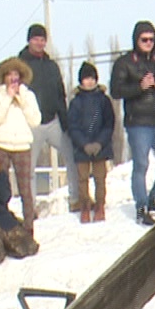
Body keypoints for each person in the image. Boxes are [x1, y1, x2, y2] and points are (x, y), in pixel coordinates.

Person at [108, 20, 155, 225]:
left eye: (152, 39)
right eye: (144, 39)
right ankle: (141, 206)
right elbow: (116, 90)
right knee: (141, 164)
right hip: (138, 122)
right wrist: (140, 86)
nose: (148, 43)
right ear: (136, 40)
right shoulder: (125, 63)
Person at [0, 57, 42, 225]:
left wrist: (21, 100)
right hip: (1, 145)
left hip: (23, 146)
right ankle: (3, 223)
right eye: (9, 74)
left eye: (15, 74)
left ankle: (29, 226)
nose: (12, 78)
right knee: (1, 189)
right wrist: (8, 98)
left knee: (25, 190)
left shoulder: (28, 95)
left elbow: (35, 120)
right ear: (3, 77)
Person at [65, 61, 116, 222]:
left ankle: (100, 205)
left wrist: (100, 143)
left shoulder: (104, 100)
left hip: (101, 146)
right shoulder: (76, 102)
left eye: (92, 78)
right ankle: (85, 206)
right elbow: (72, 126)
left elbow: (109, 123)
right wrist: (84, 144)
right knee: (82, 179)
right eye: (86, 78)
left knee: (100, 178)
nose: (90, 81)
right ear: (81, 81)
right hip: (82, 148)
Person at [19, 23, 72, 178]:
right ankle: (30, 202)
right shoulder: (20, 65)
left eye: (42, 39)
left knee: (73, 157)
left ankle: (76, 199)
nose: (39, 43)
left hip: (53, 121)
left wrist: (65, 122)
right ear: (29, 41)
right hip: (30, 125)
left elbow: (60, 94)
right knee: (28, 170)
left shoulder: (52, 66)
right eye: (36, 39)